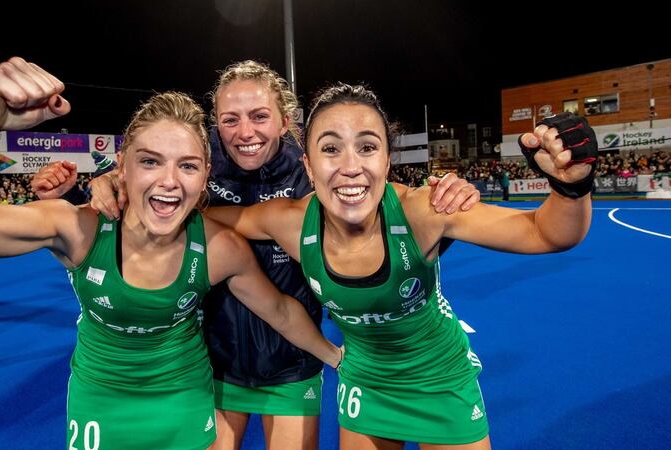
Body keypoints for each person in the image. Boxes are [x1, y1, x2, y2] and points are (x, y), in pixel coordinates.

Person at [0, 57, 343, 450]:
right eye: (149, 162)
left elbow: (284, 308)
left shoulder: (242, 232)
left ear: (204, 176)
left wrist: (340, 355)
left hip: (216, 391)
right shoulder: (81, 227)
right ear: (120, 167)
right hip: (151, 390)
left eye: (186, 166)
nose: (169, 179)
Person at [36, 61, 481, 449]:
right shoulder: (197, 170)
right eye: (230, 120)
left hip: (292, 361)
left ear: (285, 120)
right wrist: (101, 185)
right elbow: (148, 193)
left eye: (260, 116)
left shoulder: (317, 175)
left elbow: (388, 221)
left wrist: (444, 204)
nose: (245, 132)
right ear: (215, 125)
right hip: (214, 365)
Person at [198, 83, 595, 449]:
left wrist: (571, 186)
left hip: (441, 381)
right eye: (331, 149)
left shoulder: (424, 211)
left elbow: (548, 234)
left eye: (367, 148)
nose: (350, 166)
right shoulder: (289, 222)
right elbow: (208, 216)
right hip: (365, 383)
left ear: (388, 160)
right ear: (308, 164)